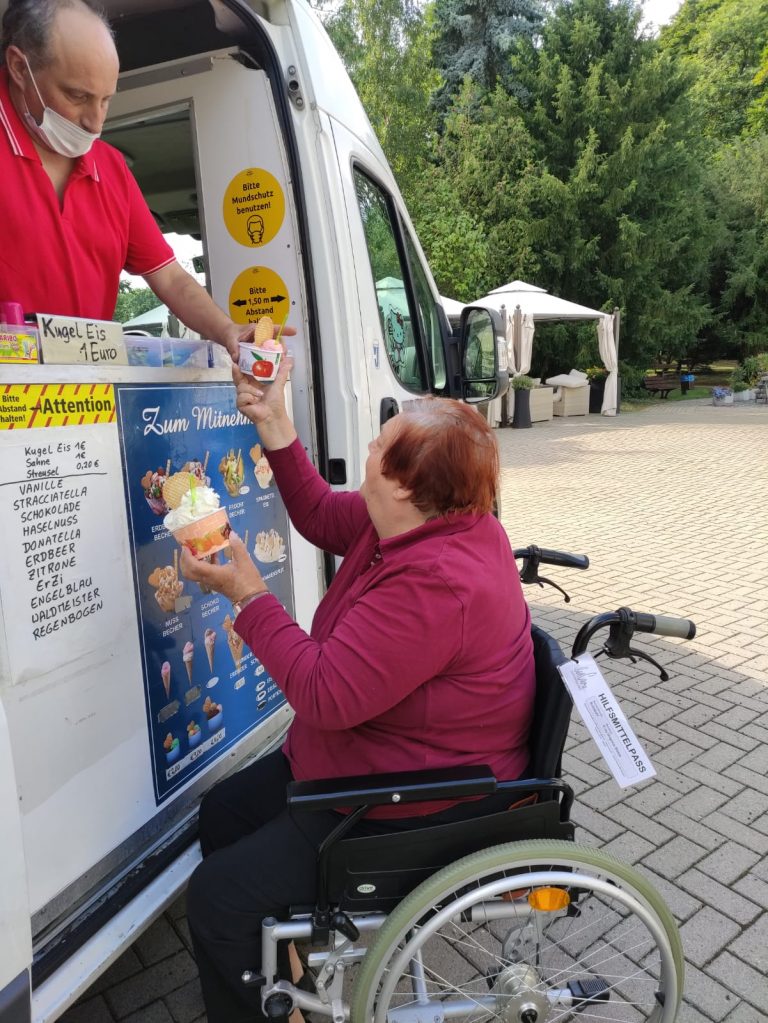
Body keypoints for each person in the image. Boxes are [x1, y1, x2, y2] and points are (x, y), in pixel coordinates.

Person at [180, 356, 536, 1023]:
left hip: (411, 798)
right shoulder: (416, 521)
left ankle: (267, 993)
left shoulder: (437, 584)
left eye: (378, 447)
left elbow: (322, 692)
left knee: (216, 899)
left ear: (402, 485)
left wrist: (249, 594)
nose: (367, 449)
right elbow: (318, 513)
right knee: (223, 813)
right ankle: (284, 971)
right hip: (369, 756)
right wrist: (273, 416)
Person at [0, 0, 248, 358]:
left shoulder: (111, 168)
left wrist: (228, 330)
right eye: (78, 96)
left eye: (105, 100)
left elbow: (170, 278)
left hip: (86, 400)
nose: (95, 122)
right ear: (19, 68)